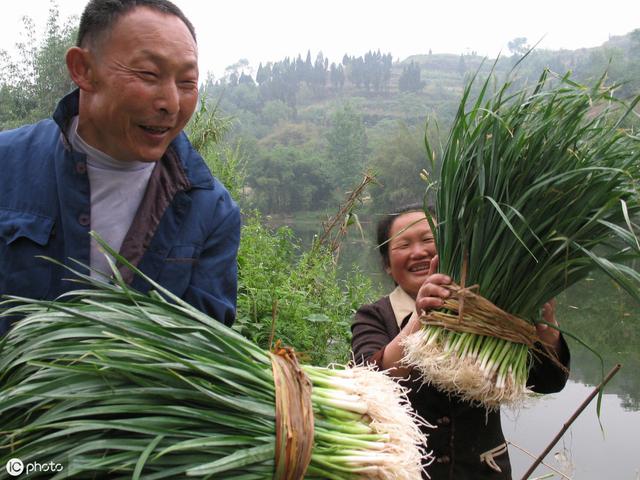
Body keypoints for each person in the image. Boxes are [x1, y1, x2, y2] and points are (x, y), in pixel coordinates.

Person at [0, 0, 240, 336]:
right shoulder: (7, 165)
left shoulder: (212, 211)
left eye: (186, 83)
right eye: (148, 74)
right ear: (82, 69)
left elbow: (203, 349)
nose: (170, 103)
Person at [351, 204, 571, 479]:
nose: (418, 252)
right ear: (387, 264)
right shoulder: (374, 316)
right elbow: (370, 378)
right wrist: (423, 317)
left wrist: (546, 327)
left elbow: (549, 382)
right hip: (406, 473)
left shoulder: (489, 310)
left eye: (428, 240)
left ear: (451, 248)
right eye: (403, 244)